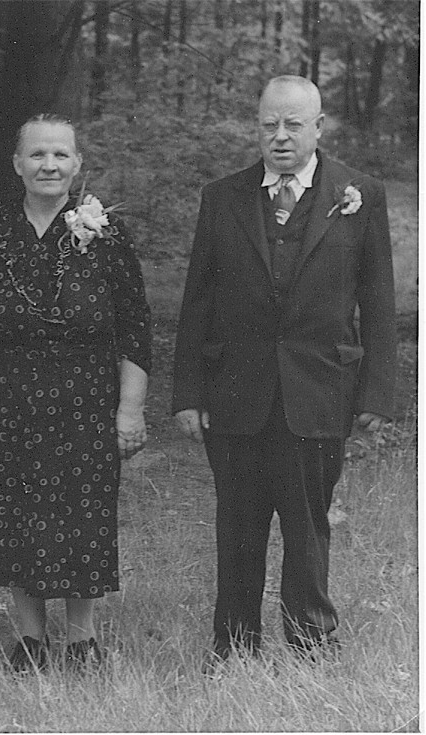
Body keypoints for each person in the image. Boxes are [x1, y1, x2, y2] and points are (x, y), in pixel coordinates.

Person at [172, 76, 396, 671]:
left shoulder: (360, 194)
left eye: (293, 124)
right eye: (269, 124)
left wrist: (376, 392)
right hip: (237, 393)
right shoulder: (222, 197)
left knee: (308, 526)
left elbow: (377, 300)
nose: (280, 136)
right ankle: (234, 646)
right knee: (237, 527)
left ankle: (311, 645)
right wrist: (188, 394)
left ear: (319, 128)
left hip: (320, 391)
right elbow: (197, 301)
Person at [0, 114, 151, 673]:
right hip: (10, 399)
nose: (50, 165)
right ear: (17, 164)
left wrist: (130, 409)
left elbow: (135, 326)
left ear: (77, 164)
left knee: (82, 517)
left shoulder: (107, 232)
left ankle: (81, 639)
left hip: (85, 399)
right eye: (38, 155)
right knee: (15, 515)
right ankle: (29, 637)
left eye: (61, 155)